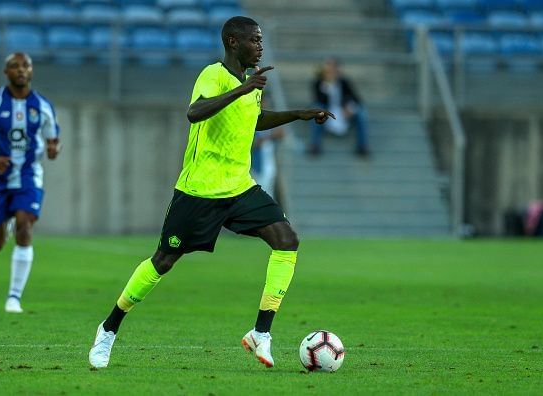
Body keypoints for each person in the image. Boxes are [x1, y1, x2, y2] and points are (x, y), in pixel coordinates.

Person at [88, 16, 334, 369]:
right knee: (163, 261)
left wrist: (299, 114)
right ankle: (109, 329)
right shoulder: (213, 74)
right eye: (254, 40)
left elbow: (254, 120)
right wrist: (242, 90)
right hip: (199, 190)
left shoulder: (252, 83)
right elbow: (195, 112)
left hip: (239, 187)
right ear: (233, 42)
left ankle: (260, 332)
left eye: (262, 40)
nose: (260, 46)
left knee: (287, 240)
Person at [0, 52, 61, 313]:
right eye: (14, 66)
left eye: (26, 66)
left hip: (29, 176)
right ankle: (6, 222)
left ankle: (14, 297)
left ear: (31, 71)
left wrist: (55, 149)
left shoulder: (42, 106)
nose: (21, 70)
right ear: (6, 72)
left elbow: (54, 139)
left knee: (25, 224)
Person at [308, 57, 369, 157]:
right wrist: (327, 85)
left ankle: (362, 146)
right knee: (316, 109)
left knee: (362, 112)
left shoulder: (344, 82)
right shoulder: (318, 83)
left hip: (342, 112)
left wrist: (349, 108)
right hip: (326, 112)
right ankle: (315, 145)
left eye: (333, 68)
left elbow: (357, 100)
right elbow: (318, 100)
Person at [251, 94, 285, 198]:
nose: (265, 106)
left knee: (269, 193)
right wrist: (267, 138)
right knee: (258, 194)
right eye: (263, 103)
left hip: (269, 163)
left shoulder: (269, 120)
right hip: (256, 165)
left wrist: (269, 137)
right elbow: (253, 144)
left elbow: (281, 133)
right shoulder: (251, 121)